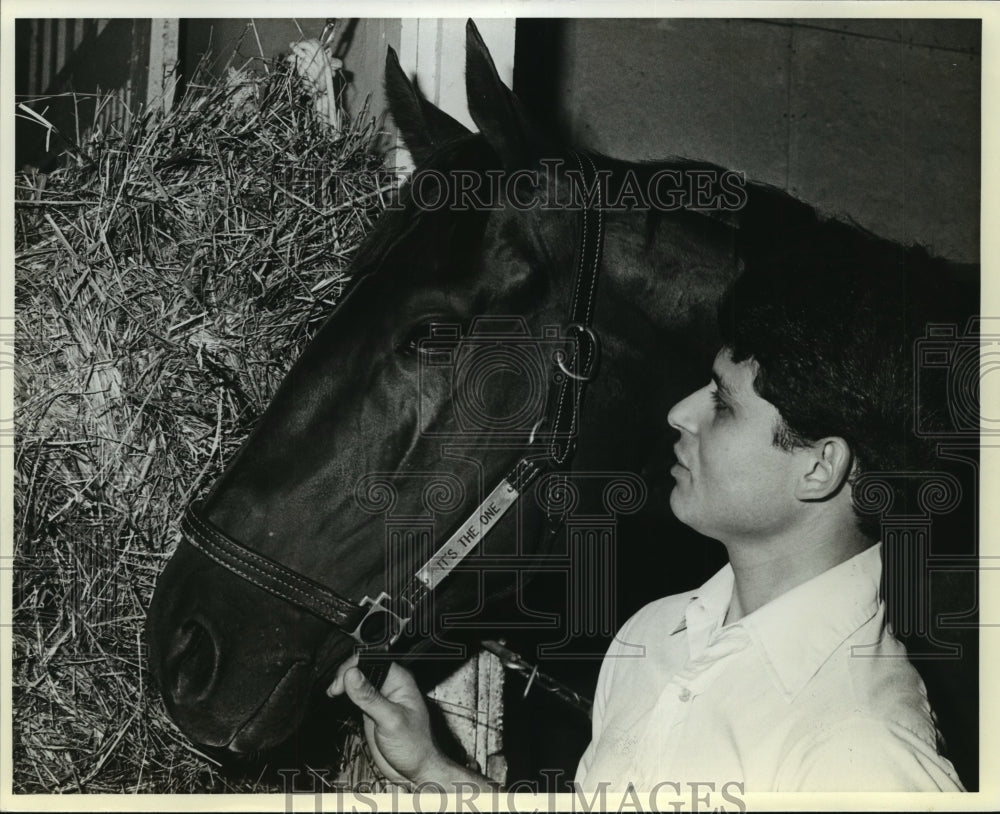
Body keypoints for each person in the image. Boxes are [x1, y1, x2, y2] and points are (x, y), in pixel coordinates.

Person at [328, 220, 968, 792]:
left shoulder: (860, 754)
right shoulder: (657, 635)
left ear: (820, 466)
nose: (680, 413)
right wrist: (431, 770)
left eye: (723, 402)